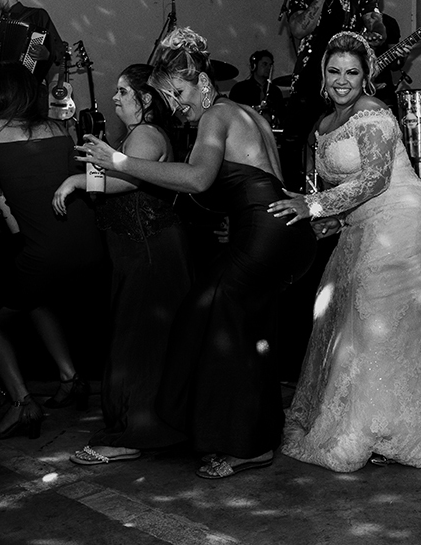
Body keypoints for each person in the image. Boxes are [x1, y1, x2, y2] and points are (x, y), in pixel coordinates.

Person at [78, 27, 316, 479]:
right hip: (284, 232)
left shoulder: (216, 116)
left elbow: (198, 179)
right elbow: (262, 180)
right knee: (249, 332)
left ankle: (231, 439)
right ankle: (256, 438)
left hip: (266, 232)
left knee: (204, 314)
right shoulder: (252, 115)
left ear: (203, 83)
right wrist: (240, 219)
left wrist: (120, 163)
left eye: (181, 92)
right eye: (170, 96)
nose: (178, 103)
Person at [271, 31, 421, 472]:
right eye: (334, 70)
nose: (342, 80)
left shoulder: (372, 112)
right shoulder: (323, 124)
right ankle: (377, 425)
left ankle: (394, 432)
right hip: (362, 225)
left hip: (404, 221)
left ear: (365, 76)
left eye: (352, 72)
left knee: (382, 327)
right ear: (323, 73)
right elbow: (348, 193)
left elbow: (374, 180)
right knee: (354, 324)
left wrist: (313, 204)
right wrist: (316, 221)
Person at [53, 64, 191, 464]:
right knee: (139, 339)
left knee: (142, 342)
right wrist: (94, 161)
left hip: (150, 251)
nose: (115, 99)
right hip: (136, 251)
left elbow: (128, 182)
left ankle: (138, 434)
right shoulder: (131, 136)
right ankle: (143, 427)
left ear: (145, 99)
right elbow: (111, 185)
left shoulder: (147, 134)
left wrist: (77, 180)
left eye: (123, 92)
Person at [0, 62, 104, 440]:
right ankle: (71, 377)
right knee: (34, 300)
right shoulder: (60, 127)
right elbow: (91, 184)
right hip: (90, 247)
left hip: (45, 253)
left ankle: (21, 403)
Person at [284, 0, 386, 190]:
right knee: (296, 144)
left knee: (346, 143)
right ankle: (298, 196)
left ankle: (343, 198)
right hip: (309, 81)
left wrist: (376, 30)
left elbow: (376, 22)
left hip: (345, 82)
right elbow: (297, 29)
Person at [353, 0, 408, 110]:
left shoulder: (389, 23)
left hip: (382, 91)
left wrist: (402, 57)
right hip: (351, 88)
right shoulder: (349, 20)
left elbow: (395, 65)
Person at [228, 50, 284, 115]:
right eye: (264, 64)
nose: (268, 68)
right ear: (254, 66)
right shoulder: (240, 89)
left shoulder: (275, 91)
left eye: (270, 65)